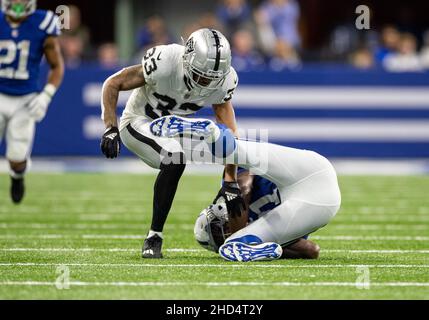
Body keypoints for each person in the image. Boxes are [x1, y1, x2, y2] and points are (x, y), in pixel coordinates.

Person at [100, 28, 244, 259]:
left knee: (232, 147)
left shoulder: (223, 81)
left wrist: (230, 180)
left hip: (172, 131)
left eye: (213, 78)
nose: (206, 83)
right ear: (187, 60)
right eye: (201, 75)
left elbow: (230, 134)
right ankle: (154, 236)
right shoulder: (165, 61)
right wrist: (110, 127)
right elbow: (112, 83)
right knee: (175, 159)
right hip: (138, 122)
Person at [0, 0, 64, 203]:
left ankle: (17, 177)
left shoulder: (43, 23)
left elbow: (56, 66)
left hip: (25, 99)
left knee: (17, 161)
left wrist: (46, 95)